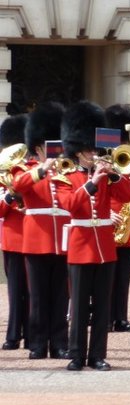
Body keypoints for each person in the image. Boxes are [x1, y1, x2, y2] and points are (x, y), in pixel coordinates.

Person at [53, 100, 130, 371]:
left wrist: (113, 176)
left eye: (94, 149)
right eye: (87, 150)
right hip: (80, 246)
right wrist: (93, 181)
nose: (92, 154)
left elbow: (126, 196)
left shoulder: (107, 174)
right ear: (77, 152)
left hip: (104, 247)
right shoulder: (66, 178)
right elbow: (71, 205)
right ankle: (77, 354)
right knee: (78, 306)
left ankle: (97, 354)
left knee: (102, 306)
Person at [11, 102, 70, 360]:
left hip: (62, 240)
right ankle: (37, 343)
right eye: (52, 147)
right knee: (37, 296)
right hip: (36, 240)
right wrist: (42, 170)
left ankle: (59, 343)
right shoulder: (26, 169)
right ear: (38, 148)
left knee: (60, 295)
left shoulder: (66, 170)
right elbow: (18, 185)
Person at [104, 104, 130, 333]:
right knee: (106, 277)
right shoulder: (102, 162)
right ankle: (104, 316)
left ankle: (121, 317)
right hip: (107, 222)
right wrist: (106, 213)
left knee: (124, 276)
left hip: (126, 226)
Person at [0, 114, 30, 351]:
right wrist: (11, 196)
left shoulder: (35, 171)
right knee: (15, 290)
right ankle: (12, 335)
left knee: (33, 292)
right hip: (13, 239)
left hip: (34, 237)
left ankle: (32, 334)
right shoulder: (4, 172)